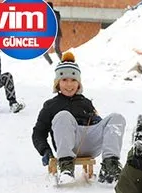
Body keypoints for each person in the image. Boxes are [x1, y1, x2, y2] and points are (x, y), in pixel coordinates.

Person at [32, 52, 126, 185]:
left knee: (117, 118)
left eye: (73, 80)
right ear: (58, 83)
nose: (69, 85)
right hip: (68, 144)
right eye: (64, 80)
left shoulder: (86, 102)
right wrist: (45, 150)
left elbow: (97, 121)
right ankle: (66, 166)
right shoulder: (50, 105)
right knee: (63, 115)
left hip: (89, 141)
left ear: (79, 83)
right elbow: (38, 132)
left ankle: (110, 165)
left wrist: (97, 121)